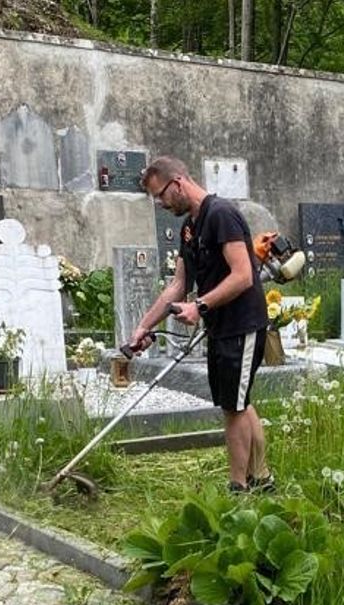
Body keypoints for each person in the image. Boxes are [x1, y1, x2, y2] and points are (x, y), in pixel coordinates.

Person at [126, 156, 272, 494]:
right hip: (220, 325)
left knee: (233, 407)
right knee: (238, 400)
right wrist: (143, 327)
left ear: (177, 183)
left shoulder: (221, 214)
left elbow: (243, 275)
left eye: (161, 195)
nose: (161, 204)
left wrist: (200, 305)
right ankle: (262, 479)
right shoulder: (190, 228)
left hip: (242, 324)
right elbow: (178, 284)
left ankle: (237, 488)